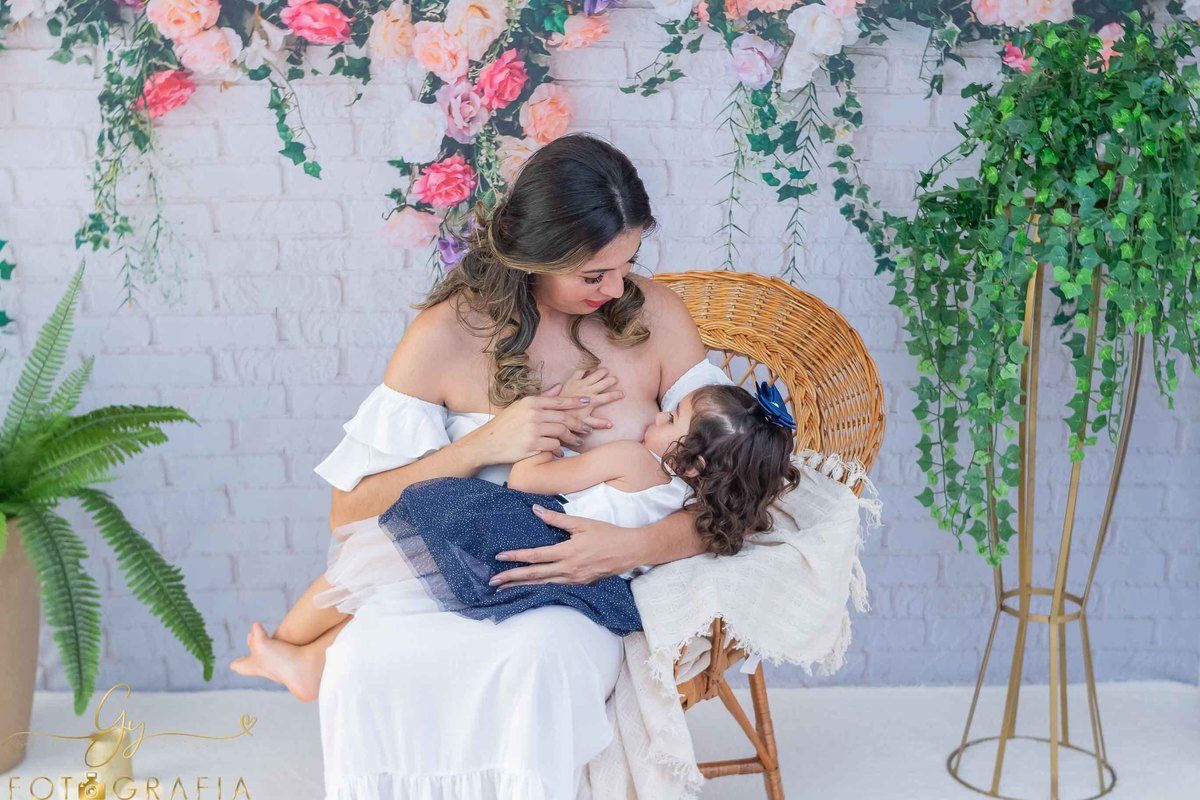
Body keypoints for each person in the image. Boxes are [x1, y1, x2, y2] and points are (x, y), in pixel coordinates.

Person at [238, 132, 738, 799]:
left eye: (628, 263)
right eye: (593, 275)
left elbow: (735, 488)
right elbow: (349, 514)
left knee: (536, 660)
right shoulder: (444, 336)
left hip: (583, 594)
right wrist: (483, 445)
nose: (619, 287)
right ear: (534, 255)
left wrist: (631, 547)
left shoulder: (653, 318)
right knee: (363, 660)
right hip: (456, 568)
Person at [231, 381, 801, 695]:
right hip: (585, 588)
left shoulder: (632, 459)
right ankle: (308, 660)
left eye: (671, 419)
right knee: (409, 588)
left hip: (527, 528)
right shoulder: (693, 508)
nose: (656, 418)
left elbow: (527, 481)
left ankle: (283, 645)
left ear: (693, 461)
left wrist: (553, 433)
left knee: (380, 554)